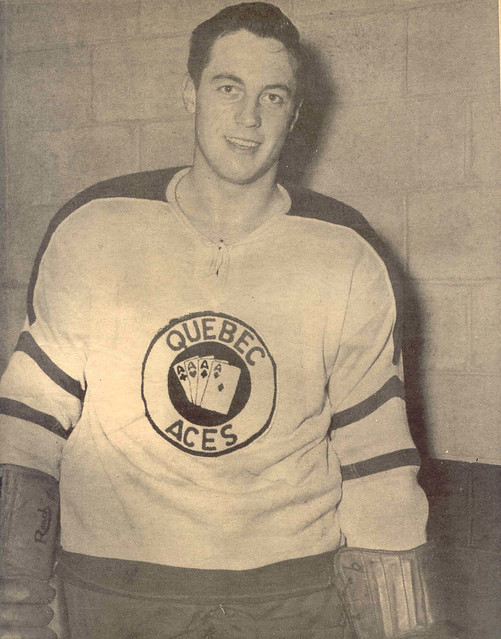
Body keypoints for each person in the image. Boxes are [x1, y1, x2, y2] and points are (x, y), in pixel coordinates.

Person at [0, 3, 452, 638]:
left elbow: (377, 461)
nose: (249, 117)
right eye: (228, 87)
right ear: (189, 94)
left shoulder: (345, 251)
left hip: (291, 596)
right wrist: (15, 611)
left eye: (273, 96)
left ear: (296, 114)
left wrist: (407, 629)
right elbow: (25, 431)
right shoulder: (95, 229)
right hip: (115, 591)